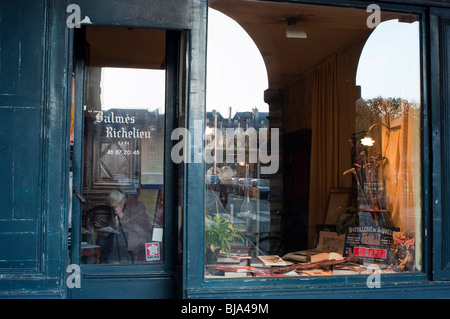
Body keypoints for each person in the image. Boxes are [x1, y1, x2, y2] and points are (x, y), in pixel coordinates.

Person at [106, 190, 152, 262]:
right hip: (117, 243)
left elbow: (139, 228)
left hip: (133, 245)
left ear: (122, 201)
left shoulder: (136, 206)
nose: (113, 209)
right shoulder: (116, 207)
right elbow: (114, 223)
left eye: (114, 206)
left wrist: (121, 216)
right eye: (112, 207)